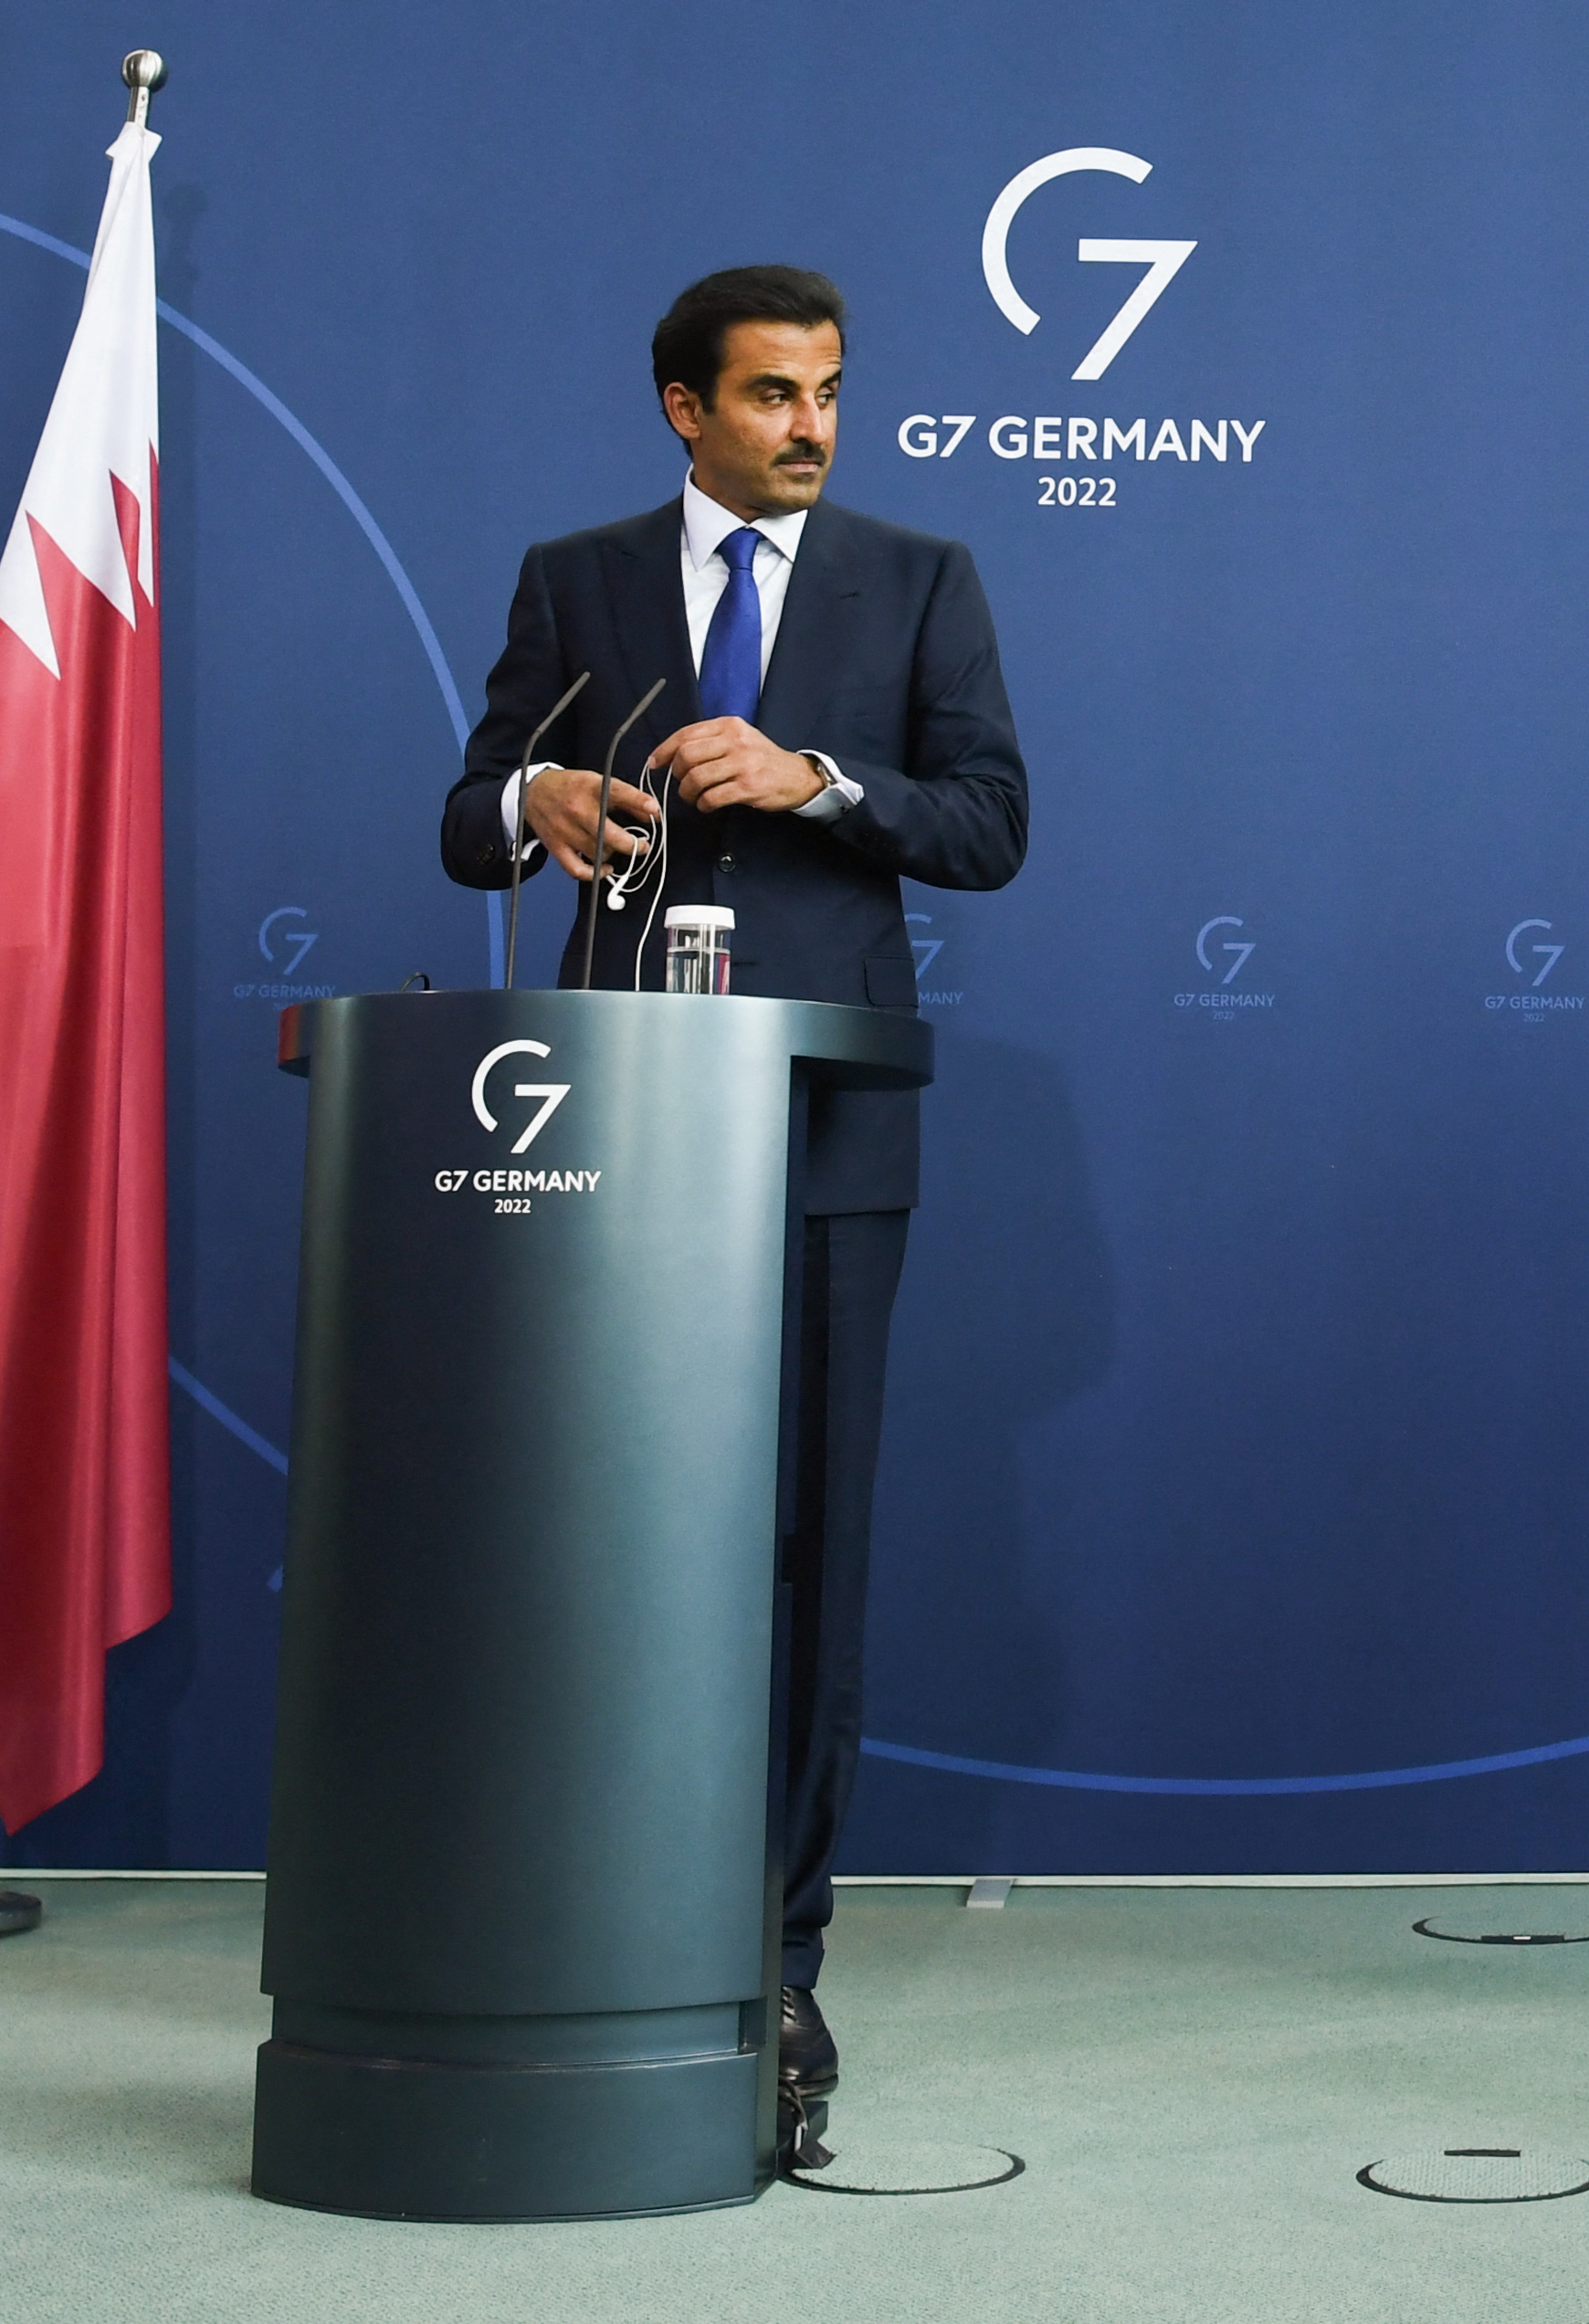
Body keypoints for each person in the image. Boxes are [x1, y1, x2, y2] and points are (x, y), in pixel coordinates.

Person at [440, 265, 1029, 2119]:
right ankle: (598, 1911)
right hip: (612, 1120)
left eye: (832, 392)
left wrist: (818, 777)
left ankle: (776, 1960)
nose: (812, 426)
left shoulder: (918, 577)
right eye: (774, 395)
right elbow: (464, 810)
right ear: (684, 410)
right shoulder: (577, 576)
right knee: (614, 1536)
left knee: (809, 1549)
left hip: (830, 1127)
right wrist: (537, 794)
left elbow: (994, 824)